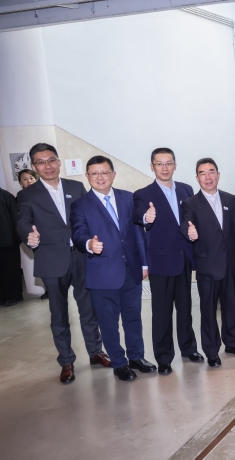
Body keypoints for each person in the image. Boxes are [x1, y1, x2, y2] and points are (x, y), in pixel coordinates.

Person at [16, 144, 110, 383]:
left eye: (51, 160)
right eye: (40, 162)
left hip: (81, 257)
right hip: (51, 260)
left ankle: (95, 351)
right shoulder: (27, 194)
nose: (47, 166)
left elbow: (89, 215)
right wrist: (29, 236)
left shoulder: (76, 187)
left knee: (88, 309)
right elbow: (23, 222)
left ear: (58, 161)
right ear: (35, 166)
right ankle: (66, 361)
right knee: (58, 315)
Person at [71, 155, 154, 382]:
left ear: (113, 174)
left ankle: (136, 357)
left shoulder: (128, 198)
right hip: (102, 273)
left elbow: (138, 233)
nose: (100, 177)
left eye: (105, 172)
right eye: (94, 173)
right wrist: (89, 244)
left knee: (133, 318)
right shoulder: (80, 205)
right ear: (87, 176)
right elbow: (78, 233)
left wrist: (144, 263)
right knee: (109, 323)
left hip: (131, 270)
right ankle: (119, 363)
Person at [133, 147, 201, 375]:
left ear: (175, 165)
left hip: (184, 259)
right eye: (159, 163)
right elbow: (138, 215)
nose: (164, 168)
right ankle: (163, 357)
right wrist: (147, 217)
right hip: (161, 262)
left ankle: (189, 348)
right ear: (152, 167)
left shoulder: (186, 189)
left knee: (185, 309)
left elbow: (191, 218)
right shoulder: (143, 194)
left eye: (168, 163)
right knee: (162, 313)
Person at [180, 158, 235, 367]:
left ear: (218, 175)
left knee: (230, 307)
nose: (207, 177)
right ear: (197, 178)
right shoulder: (190, 203)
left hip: (230, 264)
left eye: (211, 172)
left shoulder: (230, 199)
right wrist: (189, 232)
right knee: (208, 311)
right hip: (207, 266)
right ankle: (211, 350)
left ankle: (232, 342)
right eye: (202, 173)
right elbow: (185, 225)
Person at [0, 166, 24, 307]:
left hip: (8, 240)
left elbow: (16, 218)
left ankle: (15, 296)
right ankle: (3, 294)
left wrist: (17, 238)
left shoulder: (5, 195)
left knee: (11, 270)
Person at [16, 167, 47, 299]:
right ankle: (49, 289)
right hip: (34, 237)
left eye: (31, 178)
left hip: (49, 234)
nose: (29, 181)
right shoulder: (21, 196)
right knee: (43, 264)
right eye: (25, 179)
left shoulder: (45, 192)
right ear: (20, 182)